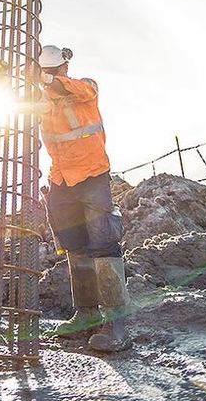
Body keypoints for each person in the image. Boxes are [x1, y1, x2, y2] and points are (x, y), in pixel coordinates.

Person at [37, 44, 131, 353]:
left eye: (54, 71)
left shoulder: (85, 88)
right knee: (74, 247)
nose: (53, 75)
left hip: (92, 175)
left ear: (63, 70)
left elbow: (79, 89)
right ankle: (87, 314)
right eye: (48, 72)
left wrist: (47, 79)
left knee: (103, 243)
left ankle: (116, 323)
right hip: (61, 180)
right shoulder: (41, 101)